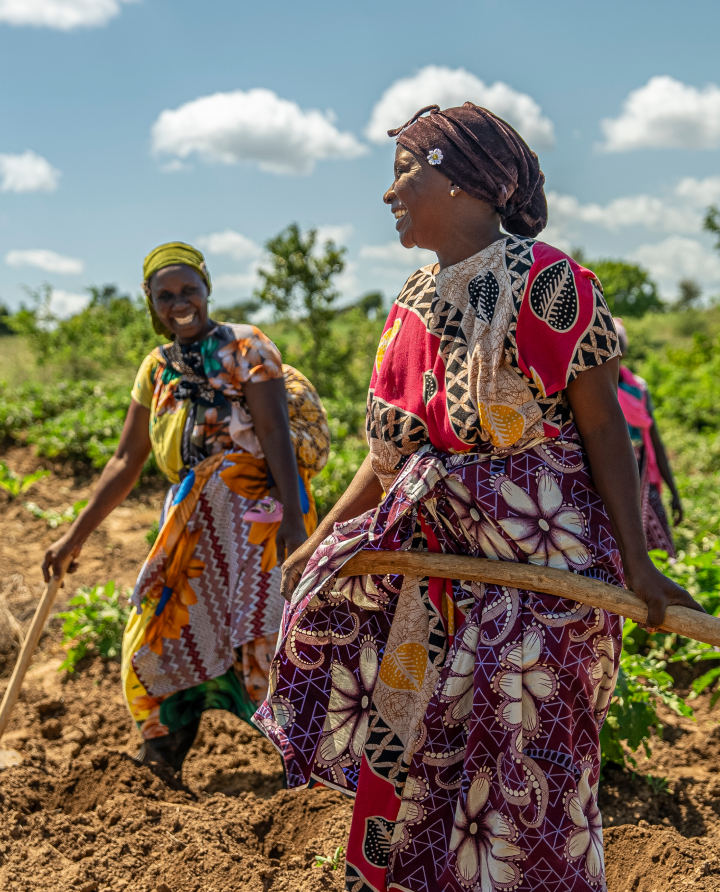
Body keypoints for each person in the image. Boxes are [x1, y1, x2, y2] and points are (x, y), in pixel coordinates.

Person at [252, 105, 703, 892]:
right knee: (416, 762)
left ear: (461, 180)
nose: (388, 193)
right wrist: (320, 539)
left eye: (404, 171)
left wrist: (637, 563)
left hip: (549, 578)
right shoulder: (409, 304)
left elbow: (602, 430)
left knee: (528, 777)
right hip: (440, 575)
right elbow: (391, 454)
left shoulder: (548, 282)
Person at [42, 242, 329, 772]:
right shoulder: (156, 369)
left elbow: (274, 433)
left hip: (259, 519)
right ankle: (162, 757)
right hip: (189, 523)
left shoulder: (247, 347)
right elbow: (126, 460)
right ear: (150, 302)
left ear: (207, 290)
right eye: (165, 294)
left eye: (188, 290)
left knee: (265, 633)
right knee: (157, 630)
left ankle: (301, 769)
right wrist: (74, 535)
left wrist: (294, 519)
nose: (179, 302)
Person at [614, 317, 681, 557]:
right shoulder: (596, 391)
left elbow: (655, 440)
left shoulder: (638, 387)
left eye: (620, 346)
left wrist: (674, 492)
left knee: (660, 550)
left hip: (642, 469)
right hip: (610, 473)